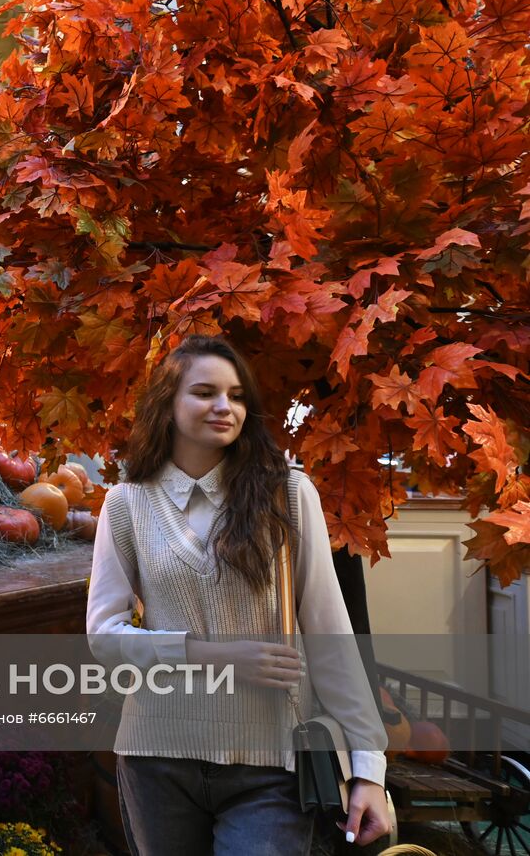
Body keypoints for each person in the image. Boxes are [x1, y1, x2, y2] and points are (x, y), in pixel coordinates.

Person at [86, 335, 390, 855]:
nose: (225, 407)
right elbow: (104, 636)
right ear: (167, 404)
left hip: (271, 760)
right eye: (205, 392)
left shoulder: (288, 494)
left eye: (237, 395)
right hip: (156, 755)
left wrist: (369, 769)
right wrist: (215, 656)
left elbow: (330, 632)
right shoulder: (126, 503)